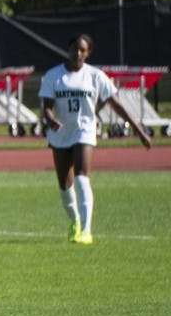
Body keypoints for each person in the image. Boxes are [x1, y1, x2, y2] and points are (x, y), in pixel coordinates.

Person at [38, 34, 151, 245]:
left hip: (84, 130)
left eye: (83, 50)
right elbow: (46, 107)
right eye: (75, 49)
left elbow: (117, 104)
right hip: (60, 134)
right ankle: (75, 222)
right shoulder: (54, 75)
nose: (78, 53)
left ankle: (87, 231)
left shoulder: (96, 76)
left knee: (82, 177)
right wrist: (51, 120)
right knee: (64, 185)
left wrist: (139, 130)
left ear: (88, 53)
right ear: (68, 49)